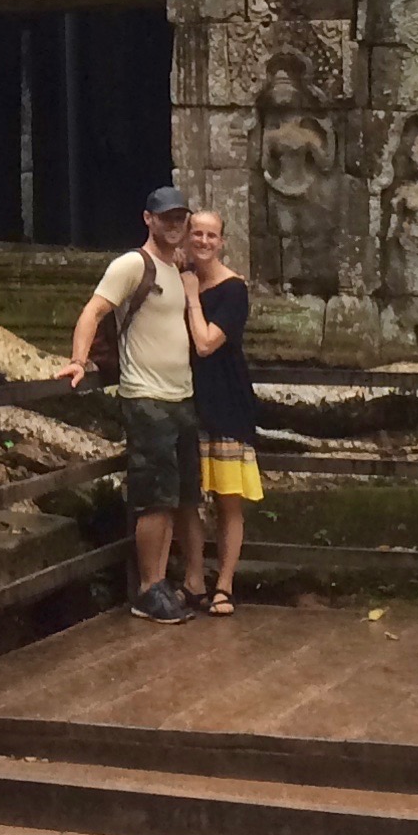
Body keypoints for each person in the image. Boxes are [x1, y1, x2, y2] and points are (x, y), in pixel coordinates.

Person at [65, 183, 205, 623]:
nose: (174, 224)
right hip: (146, 397)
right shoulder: (132, 264)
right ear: (148, 219)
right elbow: (93, 311)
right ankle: (148, 587)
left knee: (177, 496)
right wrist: (78, 361)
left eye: (180, 217)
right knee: (154, 497)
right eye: (166, 217)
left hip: (180, 396)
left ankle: (161, 582)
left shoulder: (176, 269)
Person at [178, 208, 261, 616]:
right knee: (187, 498)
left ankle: (224, 584)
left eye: (211, 235)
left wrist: (192, 296)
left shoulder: (233, 290)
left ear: (222, 241)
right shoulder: (180, 279)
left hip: (227, 401)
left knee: (228, 499)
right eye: (197, 233)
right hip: (189, 400)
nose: (204, 241)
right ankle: (193, 579)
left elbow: (207, 343)